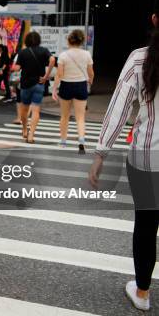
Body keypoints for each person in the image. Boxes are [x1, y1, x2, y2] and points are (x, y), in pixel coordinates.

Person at [90, 21, 159, 312]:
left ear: (155, 19)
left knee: (146, 225)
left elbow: (119, 108)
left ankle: (142, 293)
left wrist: (100, 154)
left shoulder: (141, 59)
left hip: (147, 156)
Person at [52, 29, 94, 153]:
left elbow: (59, 74)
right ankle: (81, 141)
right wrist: (90, 81)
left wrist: (54, 89)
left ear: (69, 40)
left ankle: (63, 141)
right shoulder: (87, 54)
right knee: (80, 117)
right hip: (81, 85)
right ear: (81, 41)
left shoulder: (63, 55)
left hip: (66, 86)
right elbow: (91, 73)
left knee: (65, 116)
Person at [12, 31, 55, 143]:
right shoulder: (44, 51)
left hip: (25, 85)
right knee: (36, 110)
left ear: (27, 41)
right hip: (39, 83)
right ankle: (31, 135)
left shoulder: (23, 52)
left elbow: (16, 68)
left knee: (24, 110)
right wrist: (46, 76)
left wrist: (14, 66)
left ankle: (25, 129)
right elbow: (52, 60)